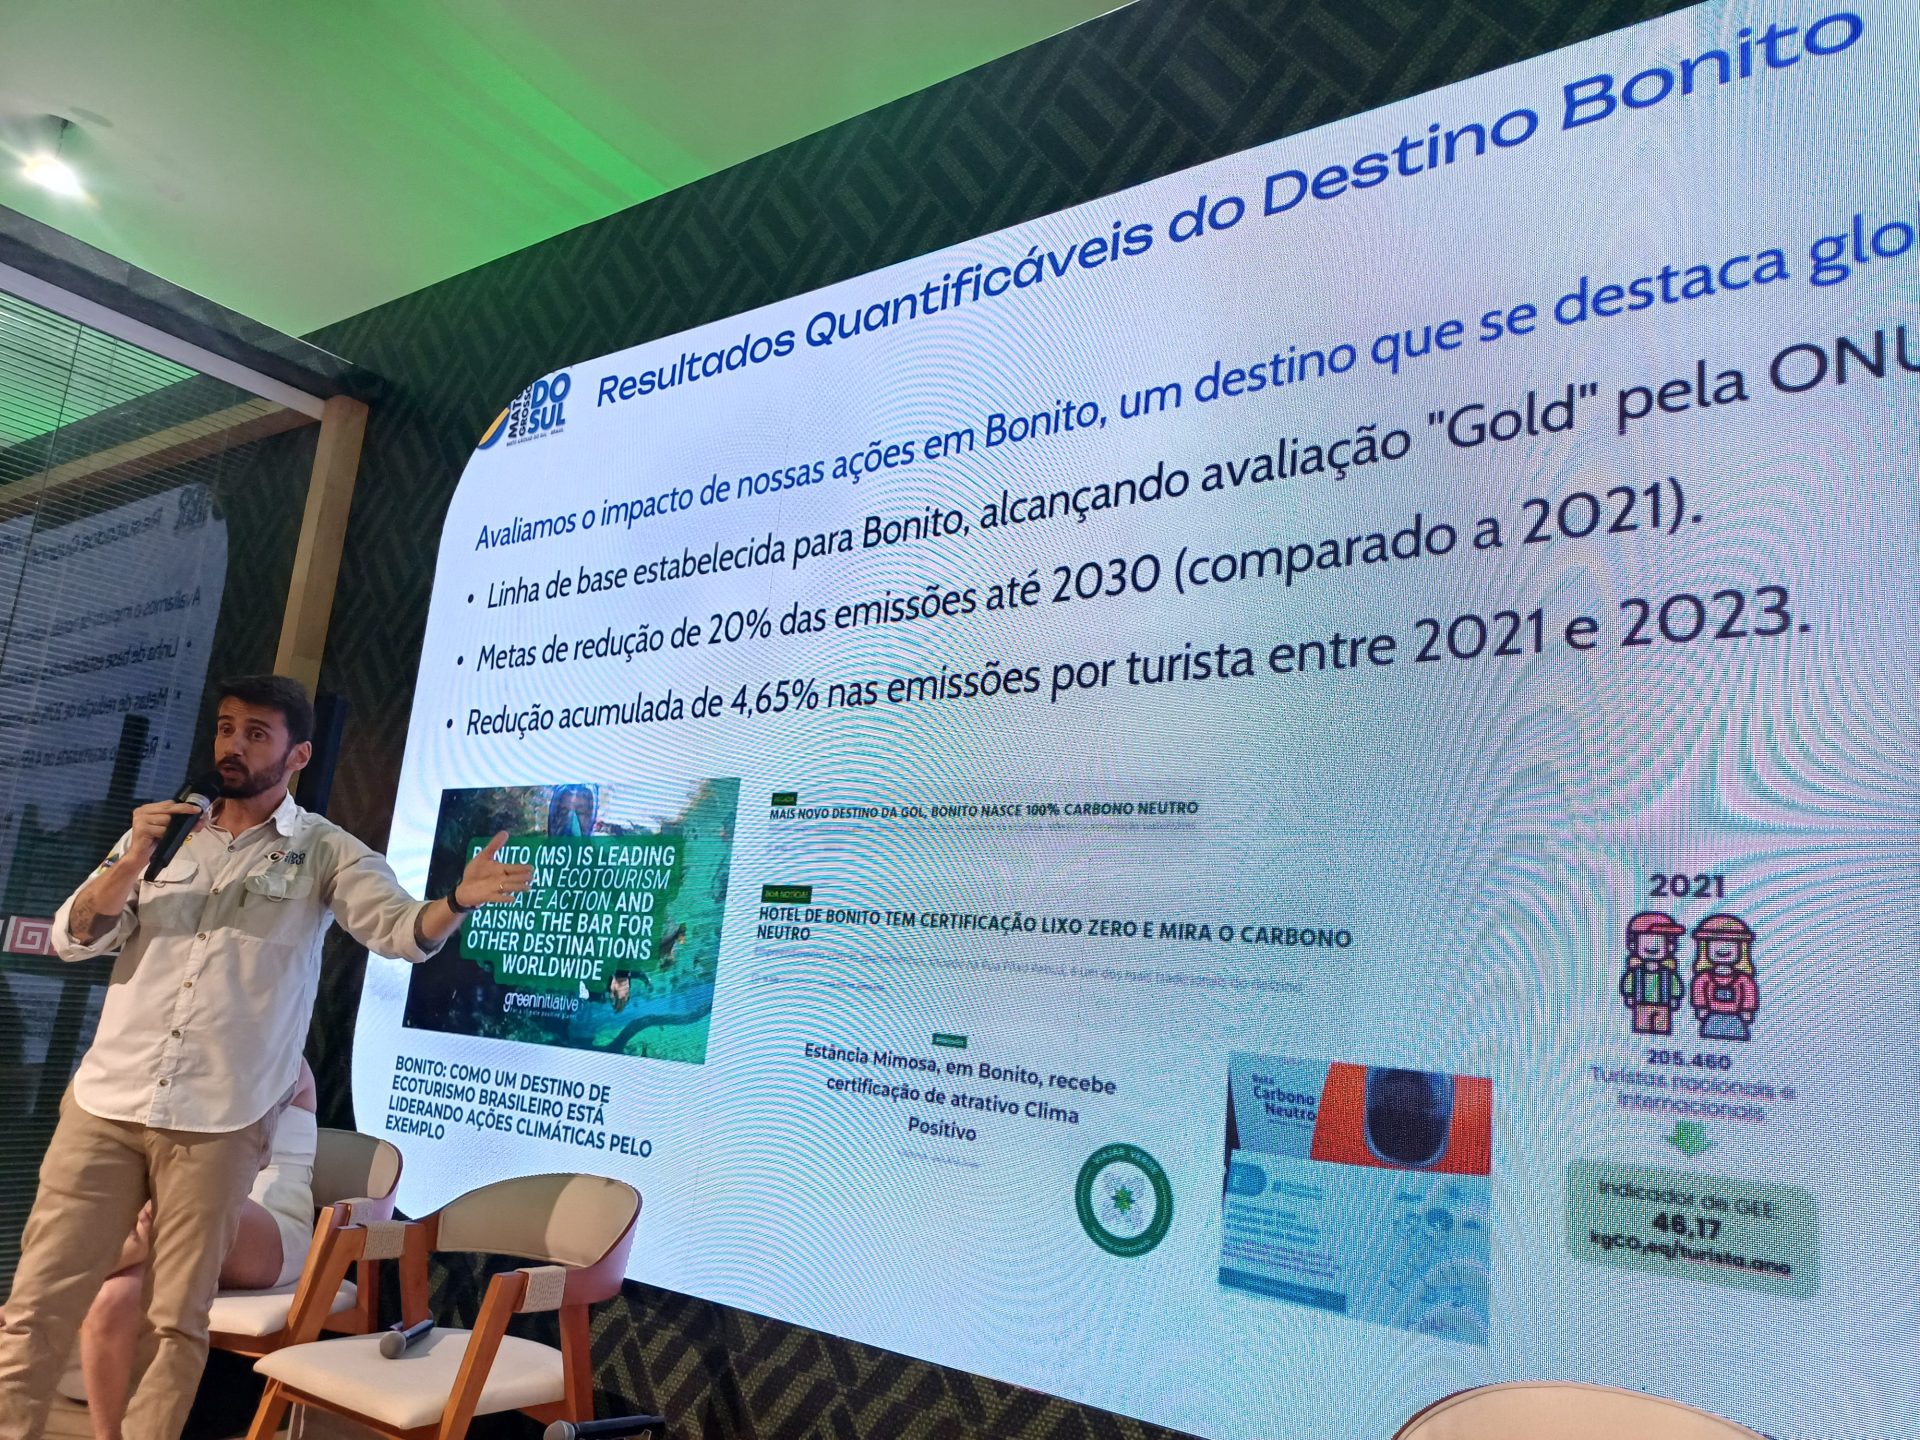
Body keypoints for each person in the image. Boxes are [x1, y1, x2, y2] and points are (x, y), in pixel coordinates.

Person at [0, 675, 531, 1440]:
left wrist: (457, 902)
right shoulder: (163, 835)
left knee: (173, 1323)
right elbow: (75, 935)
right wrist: (135, 855)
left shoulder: (324, 850)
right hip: (106, 1103)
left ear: (298, 755)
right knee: (35, 1305)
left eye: (256, 734)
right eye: (226, 728)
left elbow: (400, 932)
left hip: (217, 1122)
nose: (234, 746)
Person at [73, 1060, 319, 1440]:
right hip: (185, 1224)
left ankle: (64, 1284)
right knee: (113, 1298)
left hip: (271, 1227)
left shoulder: (285, 1060)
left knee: (183, 1199)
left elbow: (232, 1155)